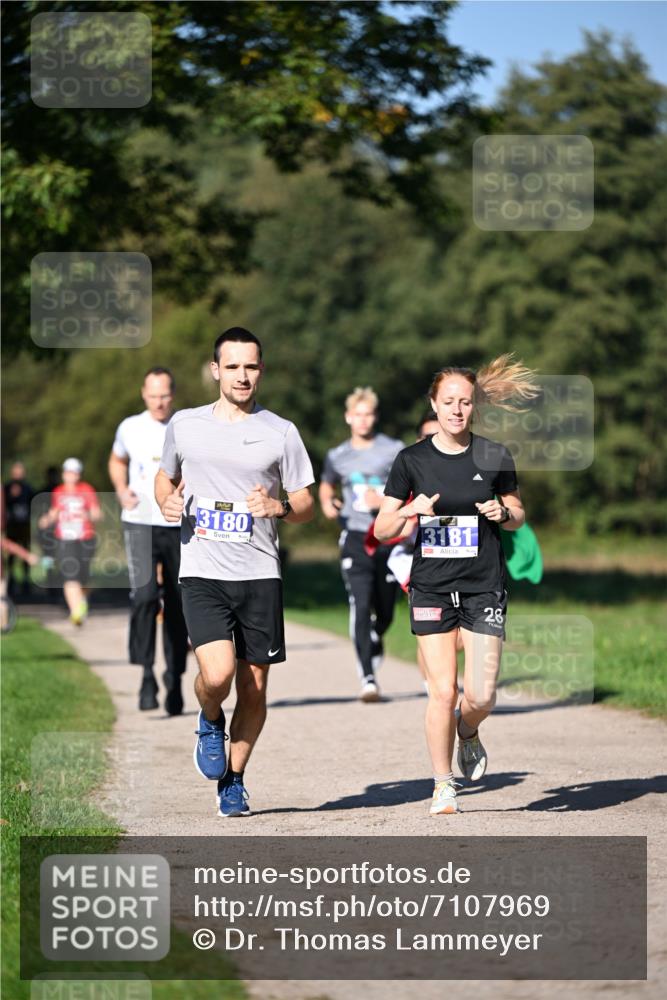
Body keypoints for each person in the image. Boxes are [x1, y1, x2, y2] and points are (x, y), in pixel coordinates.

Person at [155, 327, 314, 818]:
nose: (243, 376)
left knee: (255, 687)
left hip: (260, 573)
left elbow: (306, 502)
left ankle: (234, 780)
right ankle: (208, 717)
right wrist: (167, 501)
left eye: (252, 367)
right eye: (234, 366)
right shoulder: (184, 424)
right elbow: (164, 477)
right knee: (218, 673)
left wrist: (278, 505)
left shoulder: (281, 431)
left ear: (260, 371)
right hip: (202, 569)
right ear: (215, 369)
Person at [375, 355, 539, 816]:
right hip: (430, 588)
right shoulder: (411, 460)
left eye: (465, 402)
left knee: (481, 695)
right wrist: (410, 511)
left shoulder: (494, 455)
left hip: (483, 586)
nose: (457, 410)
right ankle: (442, 785)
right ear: (434, 403)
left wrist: (503, 514)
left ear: (474, 407)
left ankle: (468, 730)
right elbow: (384, 528)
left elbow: (518, 513)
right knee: (442, 691)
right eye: (448, 402)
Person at [109, 367, 189, 715]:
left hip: (176, 522)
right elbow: (116, 460)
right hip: (139, 520)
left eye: (165, 394)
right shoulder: (130, 427)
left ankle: (175, 677)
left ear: (173, 394)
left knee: (177, 602)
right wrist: (120, 489)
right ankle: (145, 674)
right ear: (144, 393)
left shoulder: (186, 425)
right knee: (143, 596)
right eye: (154, 395)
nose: (160, 401)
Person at [319, 388, 404, 702]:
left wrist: (382, 500)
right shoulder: (337, 455)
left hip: (388, 537)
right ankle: (368, 678)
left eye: (368, 414)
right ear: (348, 417)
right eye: (358, 414)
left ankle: (375, 635)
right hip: (355, 537)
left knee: (385, 611)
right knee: (360, 602)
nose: (363, 420)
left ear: (375, 417)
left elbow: (409, 488)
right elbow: (326, 484)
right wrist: (328, 503)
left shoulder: (394, 450)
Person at [39, 458, 102, 625]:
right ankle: (76, 612)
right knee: (69, 575)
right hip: (65, 539)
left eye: (74, 472)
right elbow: (55, 512)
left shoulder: (87, 489)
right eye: (67, 472)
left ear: (79, 474)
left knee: (83, 577)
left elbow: (97, 514)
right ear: (63, 474)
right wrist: (46, 519)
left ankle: (80, 602)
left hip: (85, 538)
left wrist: (85, 515)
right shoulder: (58, 491)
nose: (71, 475)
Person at [3, 461, 35, 597]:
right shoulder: (6, 488)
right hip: (11, 526)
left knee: (25, 551)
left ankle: (26, 580)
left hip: (24, 525)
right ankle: (11, 579)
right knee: (10, 552)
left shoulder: (28, 489)